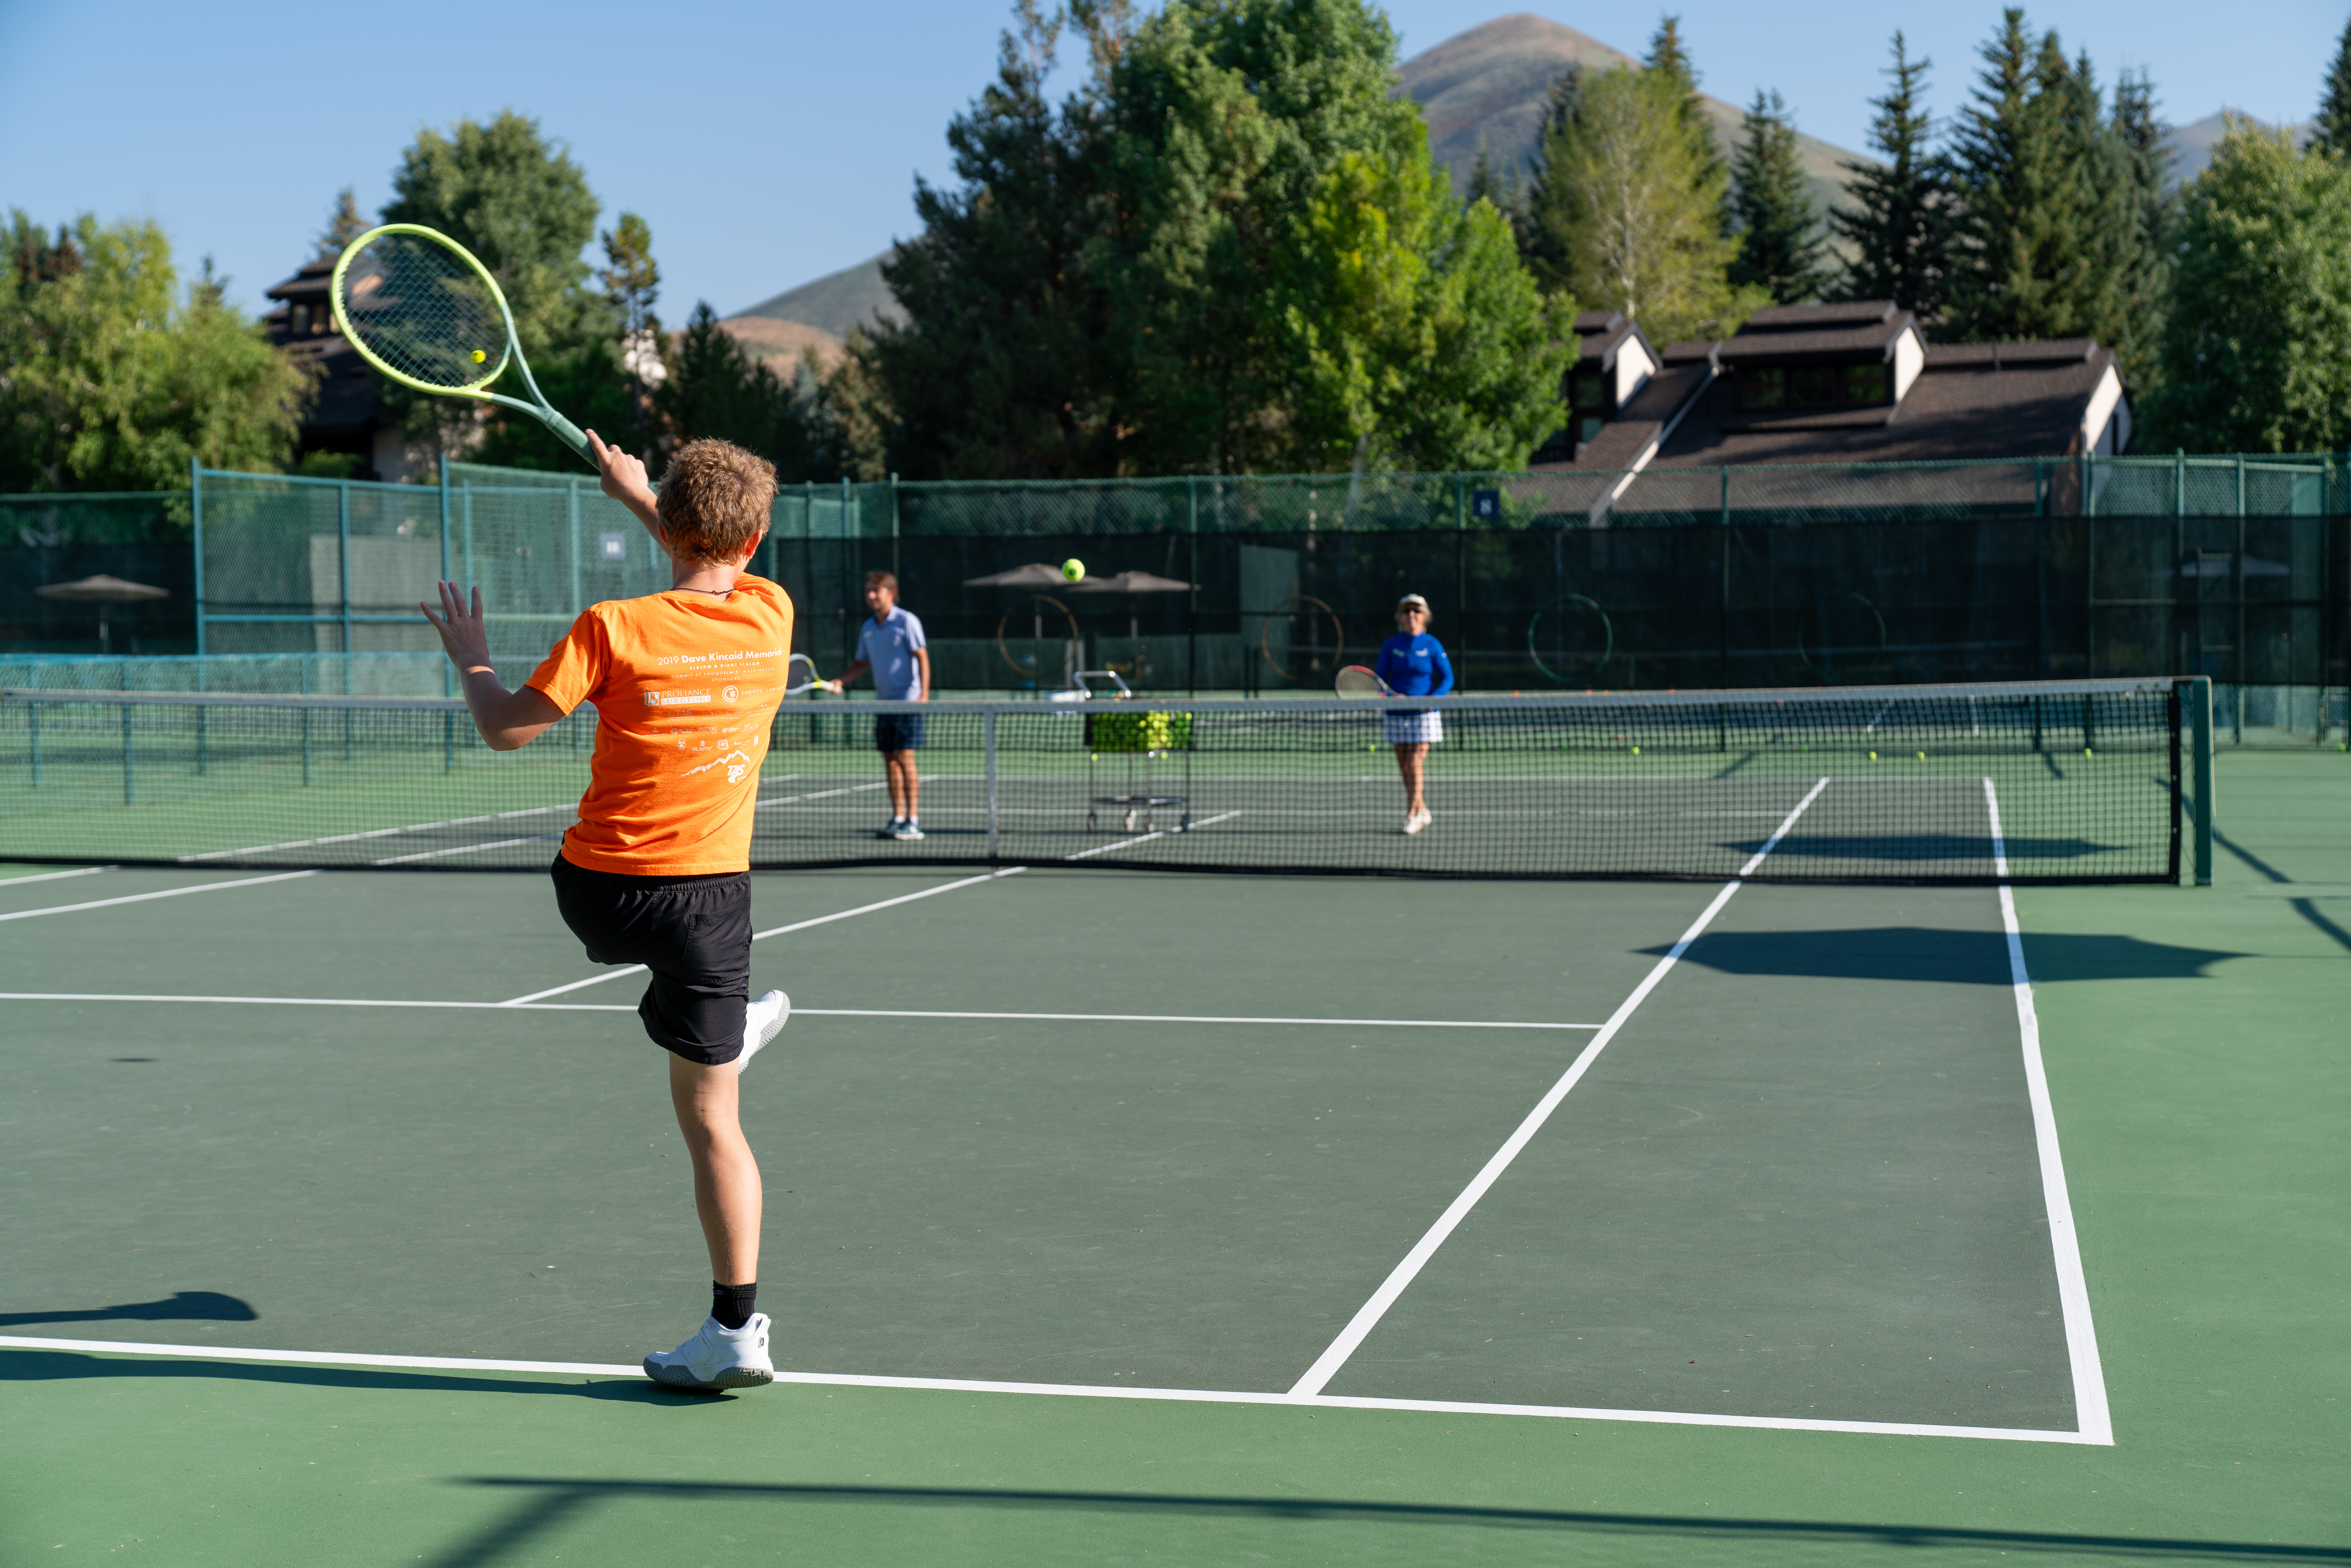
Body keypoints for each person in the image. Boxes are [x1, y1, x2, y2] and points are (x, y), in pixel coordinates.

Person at [419, 432, 795, 1394]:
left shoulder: (612, 625)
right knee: (716, 1114)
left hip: (603, 896)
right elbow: (714, 553)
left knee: (697, 1045)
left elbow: (506, 730)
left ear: (668, 524)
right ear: (755, 539)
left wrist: (471, 659)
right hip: (714, 902)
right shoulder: (770, 614)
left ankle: (717, 1033)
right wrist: (644, 498)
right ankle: (735, 1325)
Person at [823, 571, 931, 840]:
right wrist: (842, 681)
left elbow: (922, 657)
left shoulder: (907, 622)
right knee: (890, 761)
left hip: (908, 703)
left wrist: (923, 697)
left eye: (877, 591)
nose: (871, 596)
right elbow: (861, 664)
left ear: (891, 593)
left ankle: (914, 820)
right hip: (884, 704)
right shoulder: (869, 628)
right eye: (869, 591)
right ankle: (898, 818)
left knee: (905, 759)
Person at [1373, 592, 1453, 835]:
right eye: (1407, 610)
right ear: (1400, 616)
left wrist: (1431, 701)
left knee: (1415, 761)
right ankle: (1423, 808)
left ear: (1424, 616)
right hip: (1397, 714)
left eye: (1416, 611)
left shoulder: (1432, 645)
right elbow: (1379, 681)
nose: (1412, 615)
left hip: (1425, 716)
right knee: (1404, 766)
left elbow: (1447, 678)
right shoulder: (1391, 645)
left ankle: (1412, 814)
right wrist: (1389, 698)